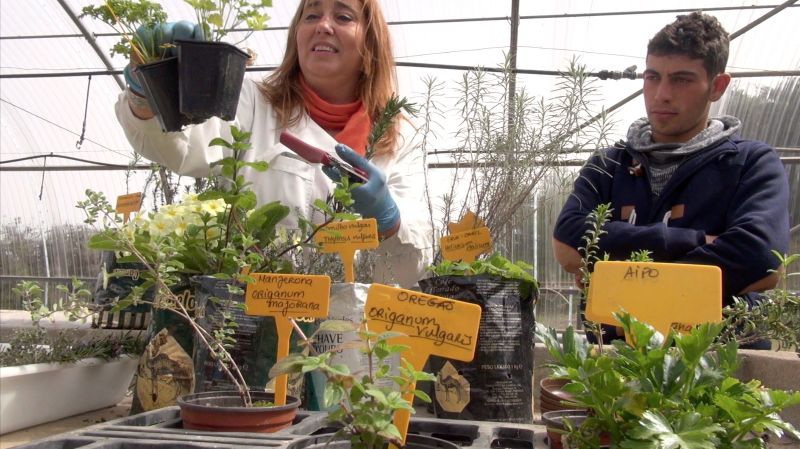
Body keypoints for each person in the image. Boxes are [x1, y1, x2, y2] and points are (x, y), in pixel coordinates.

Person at [115, 0, 430, 289]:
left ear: (370, 45)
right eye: (312, 15)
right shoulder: (252, 102)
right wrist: (147, 92)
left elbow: (417, 260)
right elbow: (182, 146)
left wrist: (389, 218)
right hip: (253, 316)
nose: (323, 25)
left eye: (343, 16)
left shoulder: (398, 133)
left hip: (359, 332)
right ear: (297, 36)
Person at [552, 12, 790, 343]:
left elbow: (760, 259)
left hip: (716, 368)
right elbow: (567, 242)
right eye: (652, 77)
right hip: (614, 367)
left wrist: (614, 279)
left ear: (717, 86)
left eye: (681, 79)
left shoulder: (750, 163)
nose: (662, 94)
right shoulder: (609, 165)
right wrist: (694, 242)